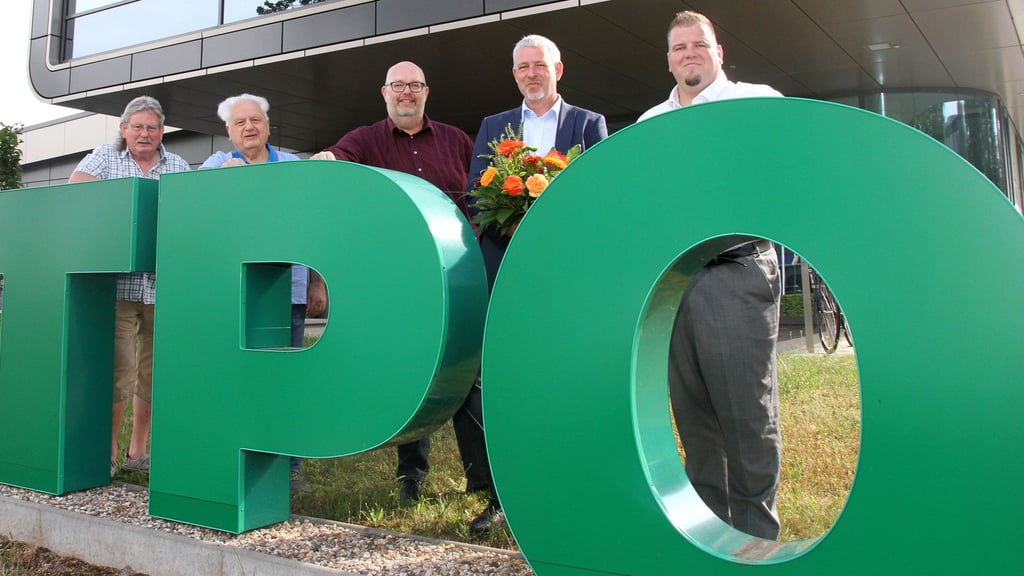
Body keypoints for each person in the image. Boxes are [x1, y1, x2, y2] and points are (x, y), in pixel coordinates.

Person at [637, 11, 784, 540]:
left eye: (700, 44)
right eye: (679, 48)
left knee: (746, 411)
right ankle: (714, 535)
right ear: (669, 59)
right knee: (693, 414)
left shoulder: (756, 101)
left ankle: (757, 535)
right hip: (673, 283)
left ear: (719, 51)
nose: (689, 54)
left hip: (735, 272)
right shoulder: (649, 123)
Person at [310, 61, 475, 504]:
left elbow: (478, 200)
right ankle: (411, 475)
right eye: (398, 86)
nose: (407, 93)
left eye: (415, 85)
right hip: (400, 280)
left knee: (468, 374)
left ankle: (481, 478)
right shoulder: (365, 139)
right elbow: (338, 158)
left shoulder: (458, 141)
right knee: (412, 371)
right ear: (384, 93)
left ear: (426, 91)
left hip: (456, 279)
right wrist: (327, 157)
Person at [464, 34, 608, 532]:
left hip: (564, 278)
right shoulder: (492, 126)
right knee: (505, 381)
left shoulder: (588, 124)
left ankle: (569, 481)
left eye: (539, 65)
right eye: (523, 66)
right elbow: (476, 197)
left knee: (565, 377)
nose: (531, 73)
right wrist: (513, 219)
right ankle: (506, 492)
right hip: (504, 271)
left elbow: (599, 196)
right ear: (514, 74)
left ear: (559, 69)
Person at [199, 93, 326, 494]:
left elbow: (315, 229)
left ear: (268, 126)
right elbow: (195, 209)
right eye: (240, 123)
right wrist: (225, 180)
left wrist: (317, 281)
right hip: (233, 295)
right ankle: (237, 457)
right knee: (237, 379)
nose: (249, 127)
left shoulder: (292, 167)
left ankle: (289, 467)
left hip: (284, 294)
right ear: (229, 132)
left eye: (256, 120)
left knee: (285, 381)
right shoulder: (216, 166)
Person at [68, 95, 191, 478]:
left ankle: (137, 453)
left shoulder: (178, 165)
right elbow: (77, 187)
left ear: (162, 132)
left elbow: (189, 214)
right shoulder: (106, 156)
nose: (144, 133)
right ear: (123, 129)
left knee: (153, 376)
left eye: (152, 127)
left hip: (160, 287)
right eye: (136, 126)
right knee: (117, 374)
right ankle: (106, 453)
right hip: (119, 288)